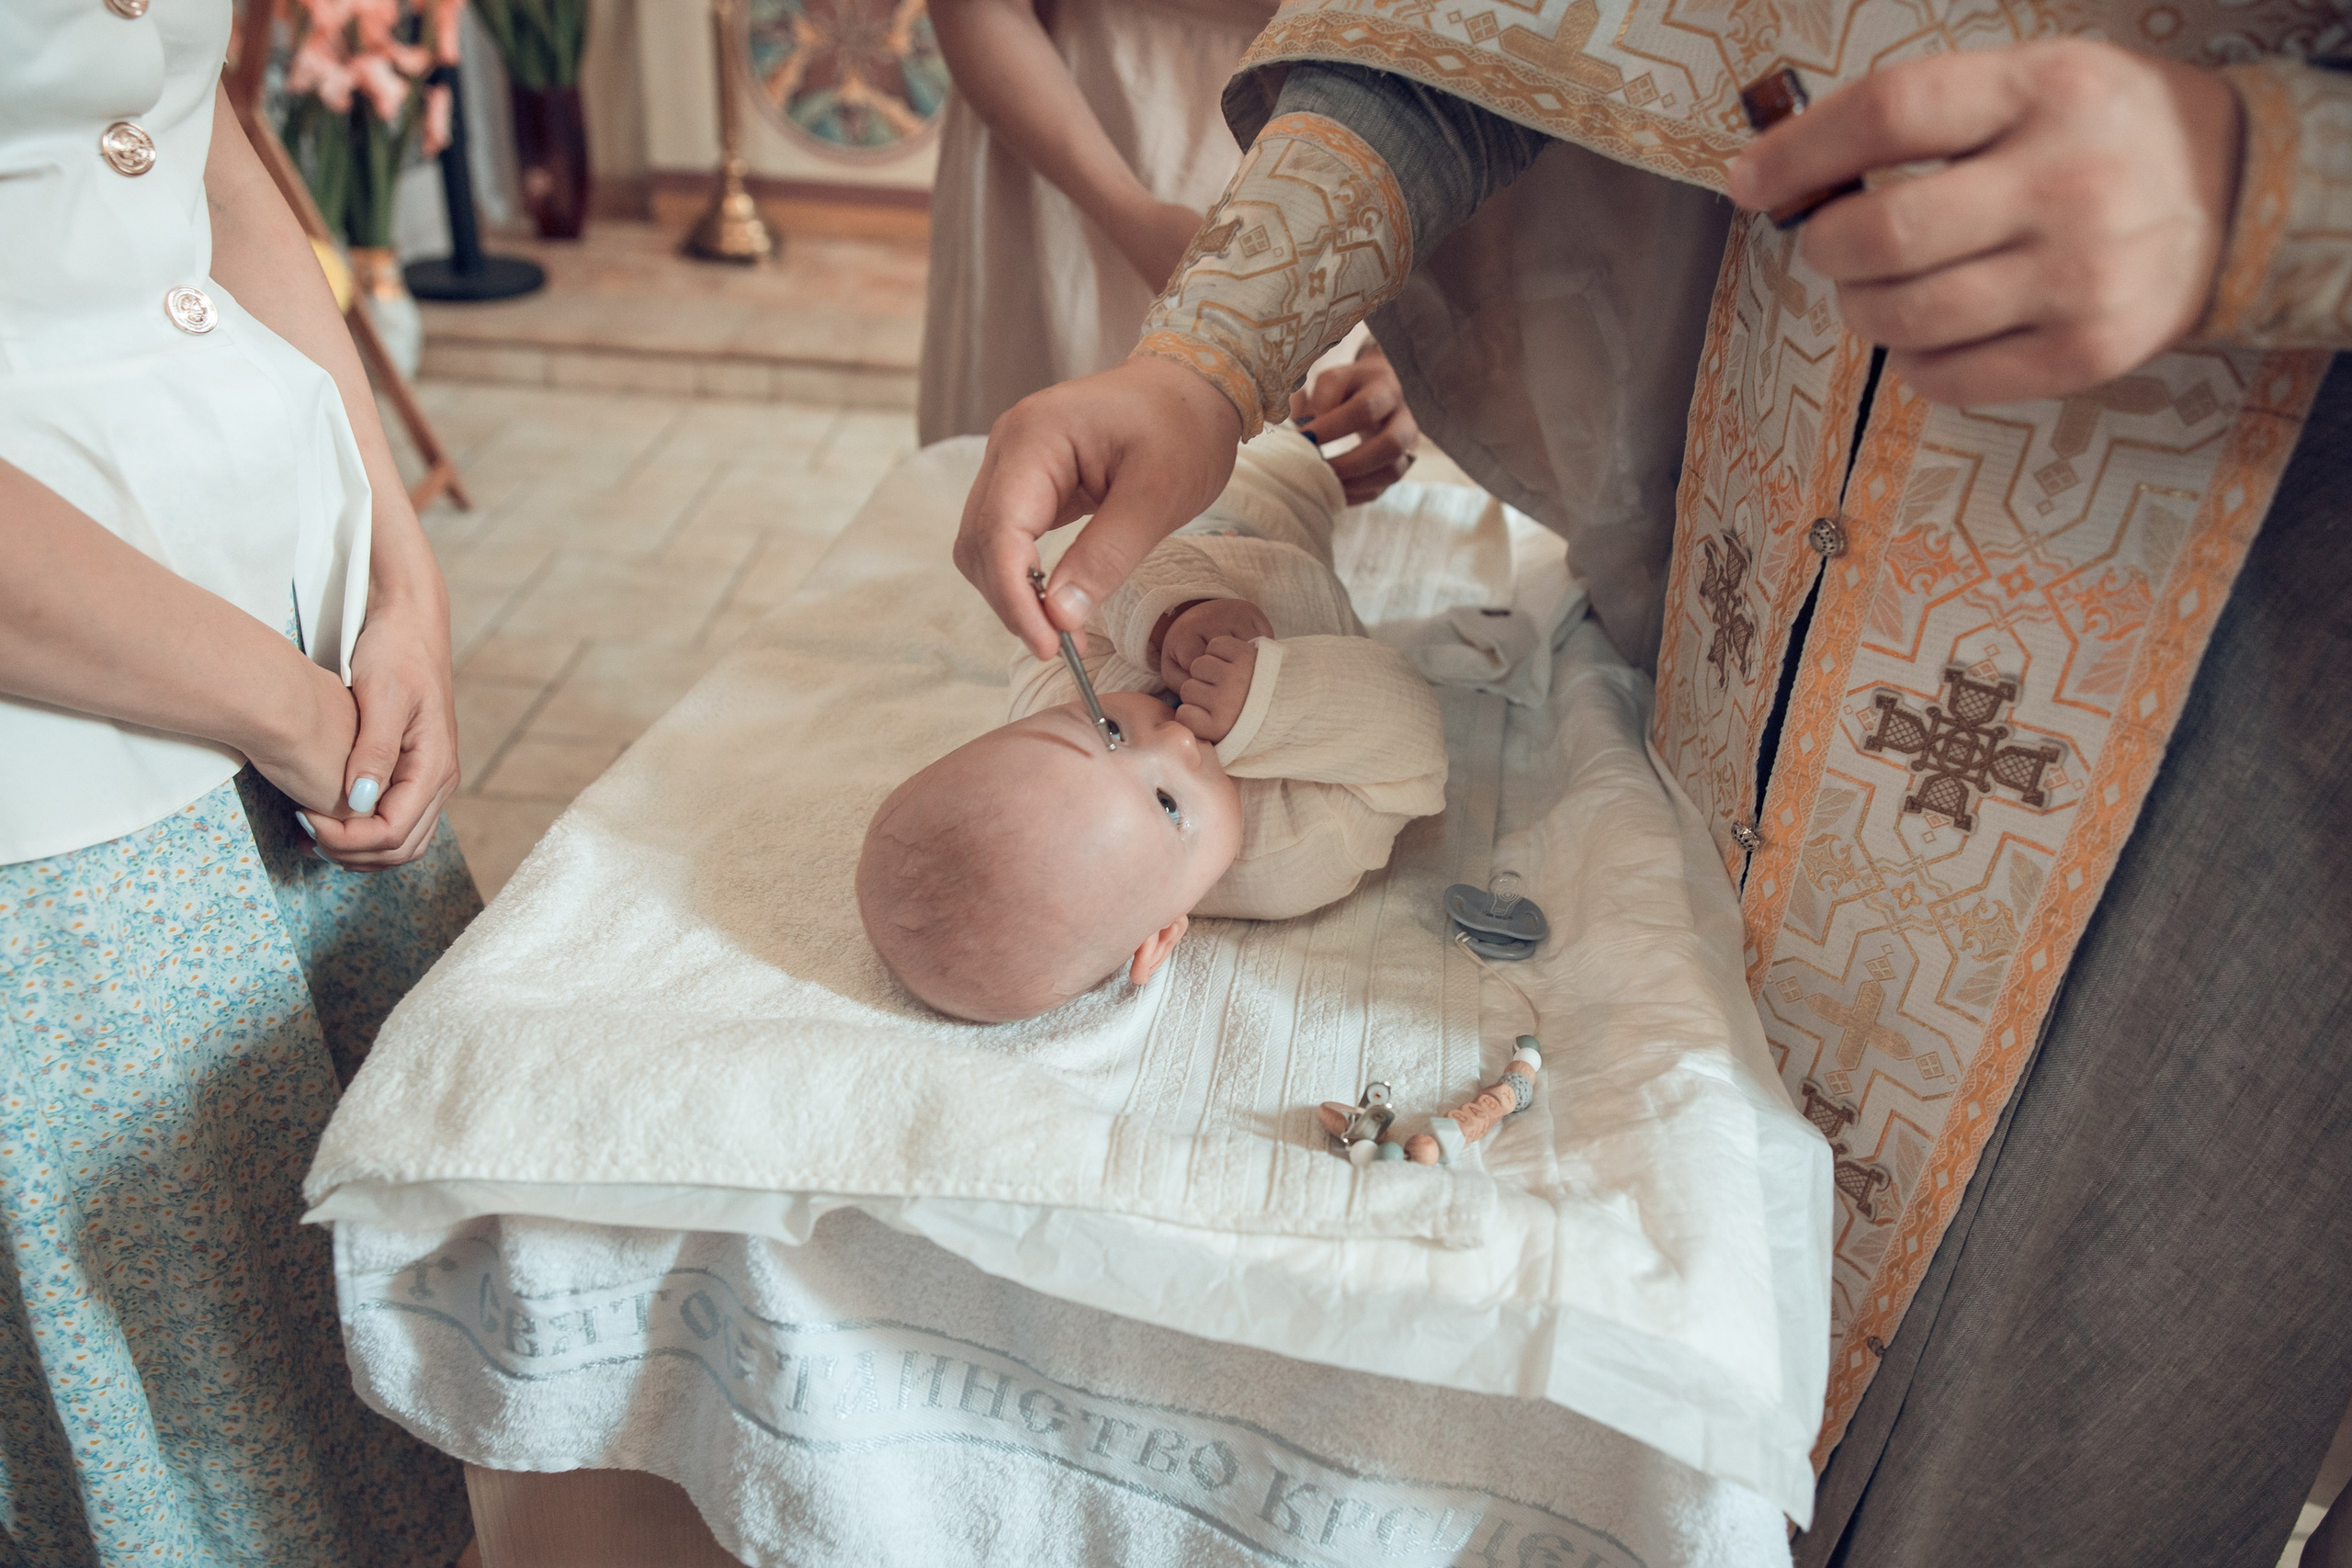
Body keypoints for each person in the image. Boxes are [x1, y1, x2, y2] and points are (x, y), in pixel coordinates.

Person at [947, 17, 2352, 1565]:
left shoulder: (1116, 694)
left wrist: (2276, 189)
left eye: (1104, 726)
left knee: (2072, 1398)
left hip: (2246, 661)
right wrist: (1212, 363)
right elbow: (1501, 34)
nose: (1159, 732)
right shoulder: (1262, 859)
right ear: (1162, 942)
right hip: (1772, 541)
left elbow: (1252, 597)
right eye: (1154, 792)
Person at [0, 4, 477, 1562]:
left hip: (295, 612)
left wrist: (399, 575)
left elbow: (207, 140)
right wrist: (278, 705)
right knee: (200, 1404)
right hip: (59, 686)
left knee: (407, 1328)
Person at [859, 429, 1446, 1021]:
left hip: (1217, 507)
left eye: (1110, 731)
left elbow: (1094, 582)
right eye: (1168, 805)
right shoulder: (1287, 861)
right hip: (1301, 558)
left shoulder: (1049, 696)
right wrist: (1269, 702)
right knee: (1320, 458)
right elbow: (1413, 733)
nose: (1177, 740)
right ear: (1160, 938)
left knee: (1265, 432)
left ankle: (1308, 434)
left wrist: (1174, 617)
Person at [919, 0, 1422, 505]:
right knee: (1034, 494)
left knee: (1272, 517)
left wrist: (1402, 347)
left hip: (1348, 168)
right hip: (1068, 130)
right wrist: (1136, 220)